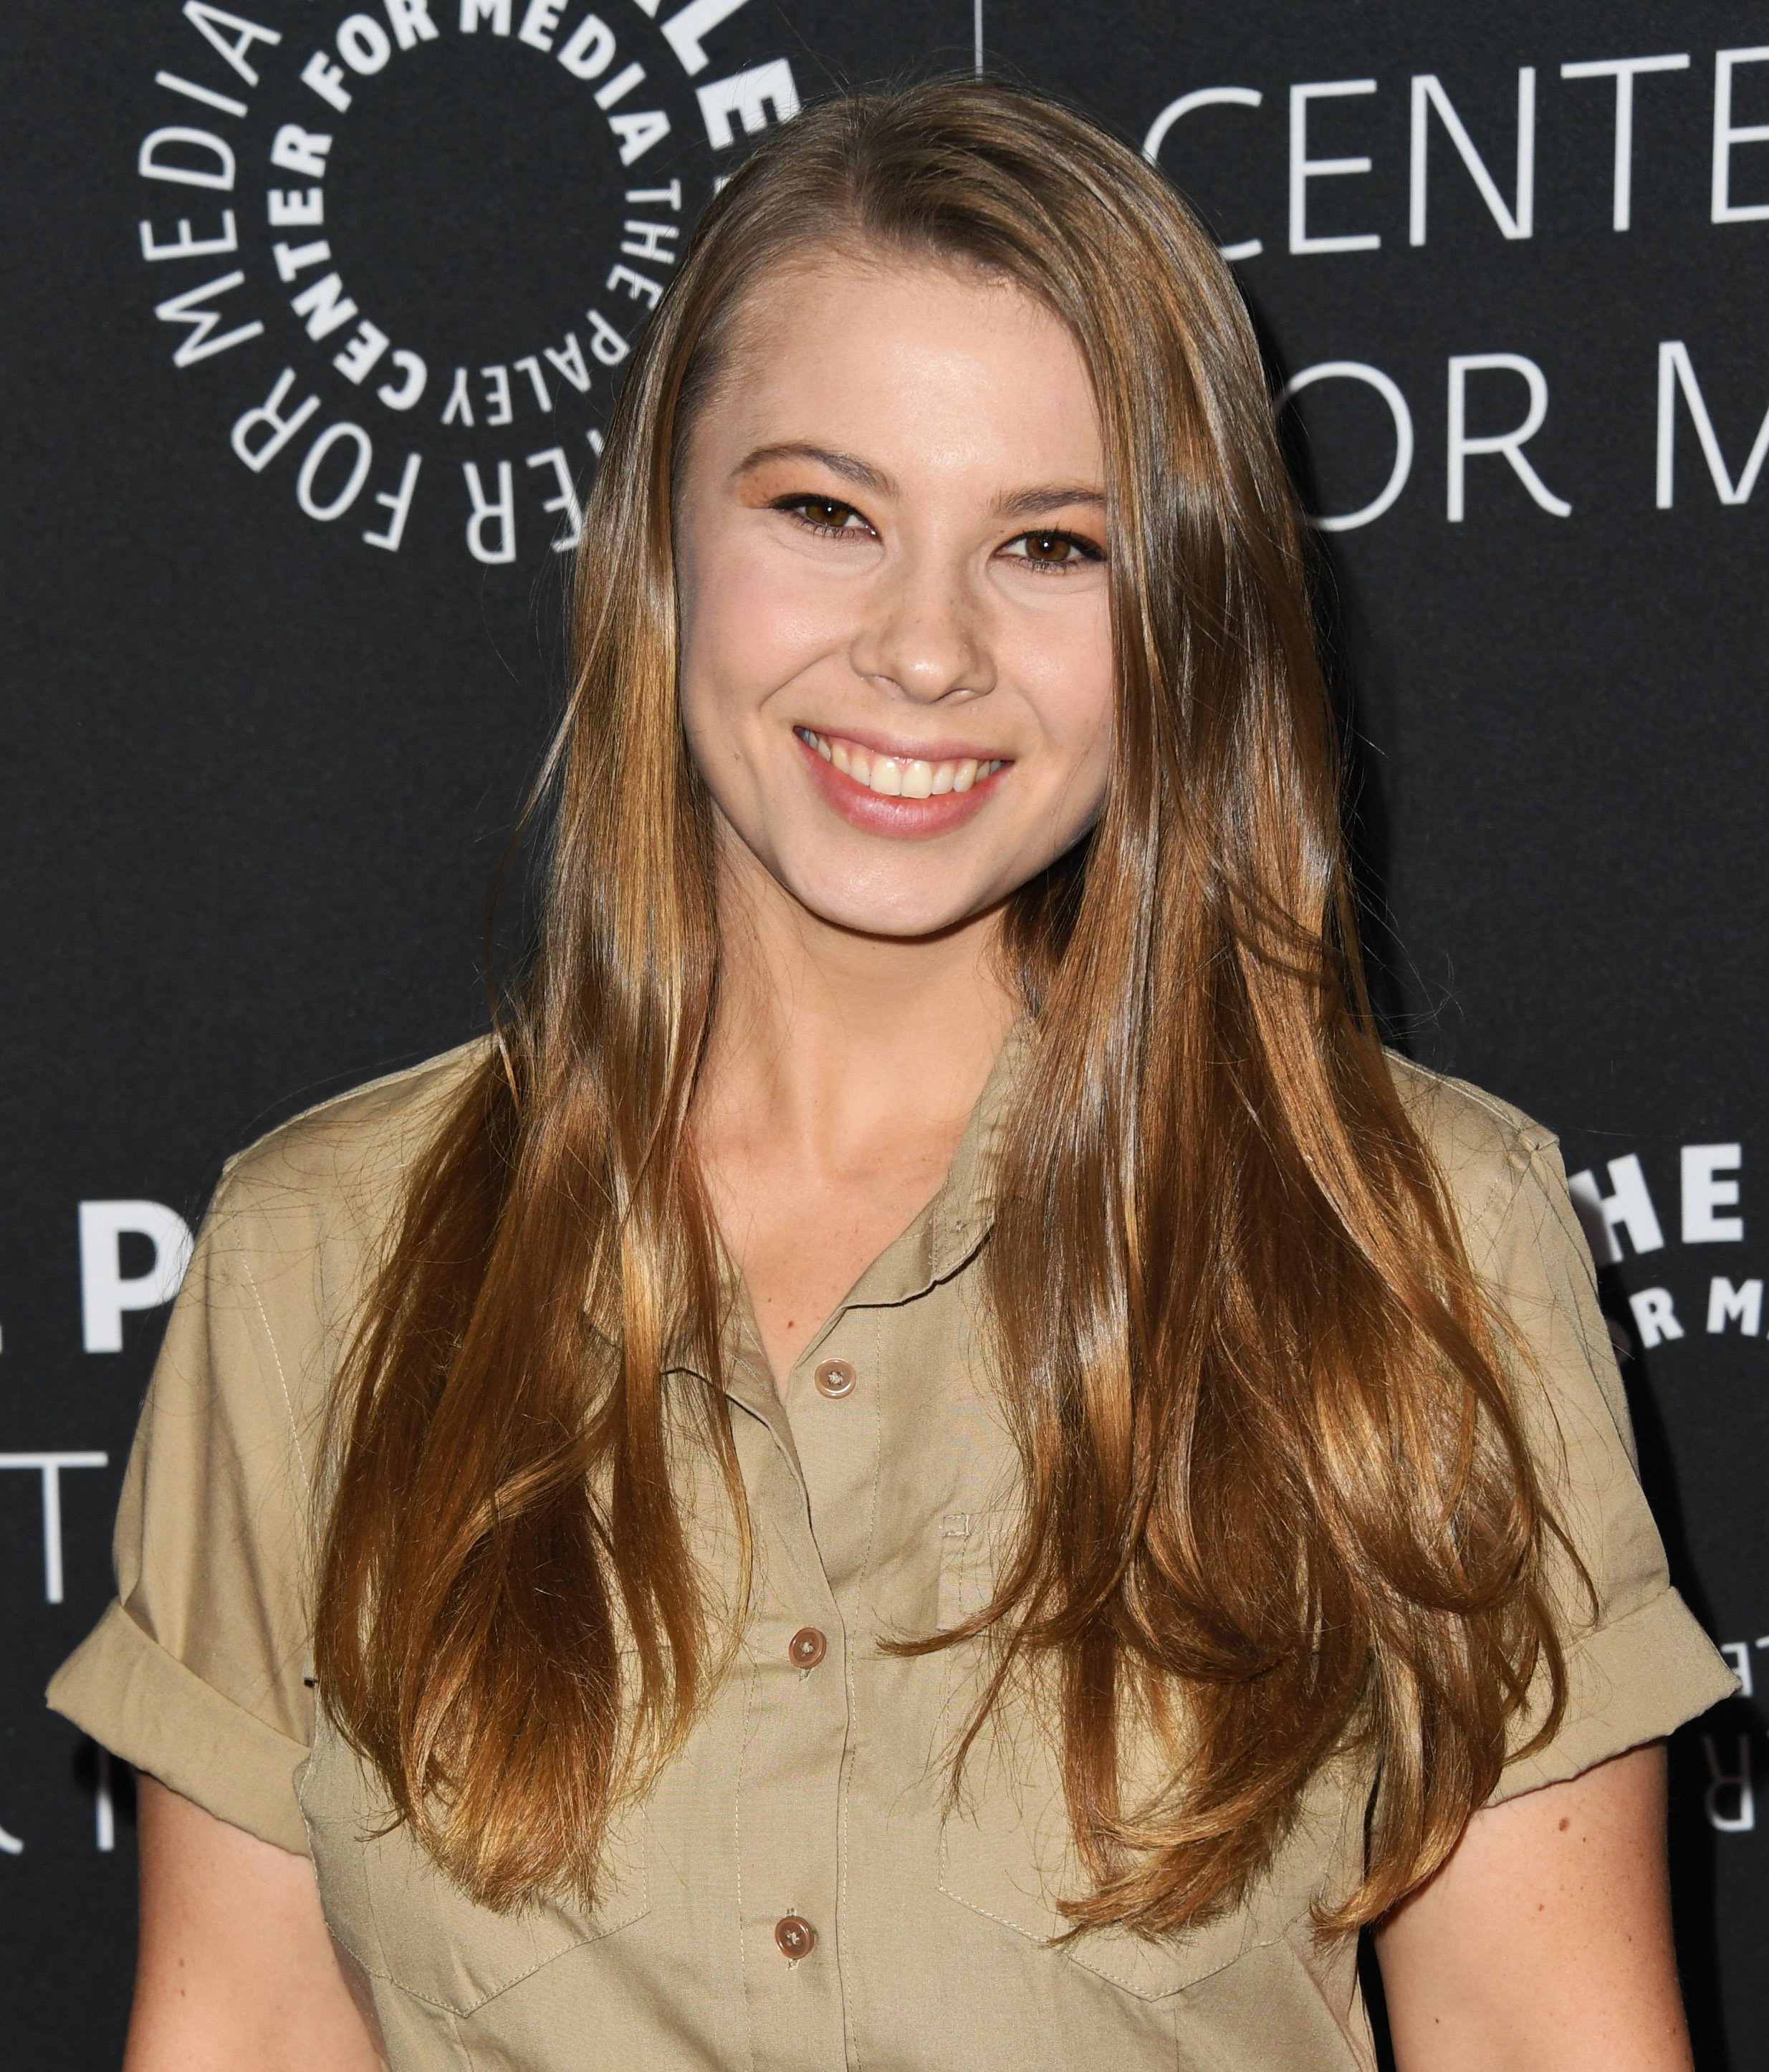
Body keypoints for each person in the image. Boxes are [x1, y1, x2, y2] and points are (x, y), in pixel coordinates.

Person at [52, 78, 1732, 2072]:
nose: (925, 650)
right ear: (662, 529)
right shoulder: (320, 1254)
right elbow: (241, 2028)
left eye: (1050, 544)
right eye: (827, 512)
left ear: (1181, 615)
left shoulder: (1413, 1234)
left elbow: (1554, 2039)